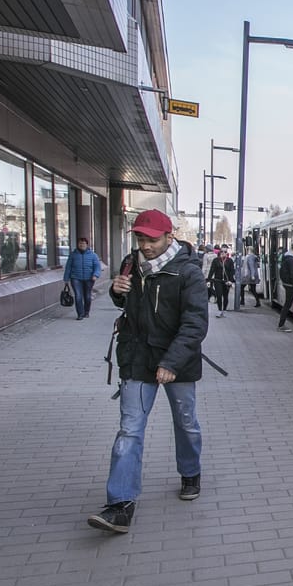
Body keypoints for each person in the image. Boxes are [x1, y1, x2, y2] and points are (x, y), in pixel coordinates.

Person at [88, 210, 208, 534]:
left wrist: (171, 363)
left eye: (151, 239)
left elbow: (195, 324)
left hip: (177, 364)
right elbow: (123, 304)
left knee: (186, 424)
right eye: (140, 238)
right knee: (129, 431)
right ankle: (120, 505)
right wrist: (117, 290)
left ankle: (190, 472)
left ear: (169, 236)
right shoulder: (132, 263)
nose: (145, 245)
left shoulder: (188, 272)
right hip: (137, 360)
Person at [62, 237, 102, 320]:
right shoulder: (73, 255)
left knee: (87, 296)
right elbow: (68, 267)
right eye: (80, 243)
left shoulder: (93, 255)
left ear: (87, 245)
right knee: (78, 296)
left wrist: (95, 275)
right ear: (78, 244)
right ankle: (80, 314)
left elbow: (97, 266)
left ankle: (86, 312)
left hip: (89, 278)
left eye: (84, 243)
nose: (82, 245)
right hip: (76, 278)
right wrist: (66, 279)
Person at [277, 242, 293, 331]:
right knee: (287, 304)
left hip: (287, 283)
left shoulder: (285, 256)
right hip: (291, 285)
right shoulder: (292, 260)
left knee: (288, 304)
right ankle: (281, 325)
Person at [207, 248, 234, 318]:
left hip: (226, 281)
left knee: (225, 296)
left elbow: (232, 271)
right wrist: (209, 280)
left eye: (225, 252)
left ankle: (224, 310)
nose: (223, 253)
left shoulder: (230, 261)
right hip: (217, 280)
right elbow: (212, 270)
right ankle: (219, 310)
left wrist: (230, 281)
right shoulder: (216, 260)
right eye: (222, 252)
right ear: (219, 253)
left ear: (227, 253)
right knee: (219, 295)